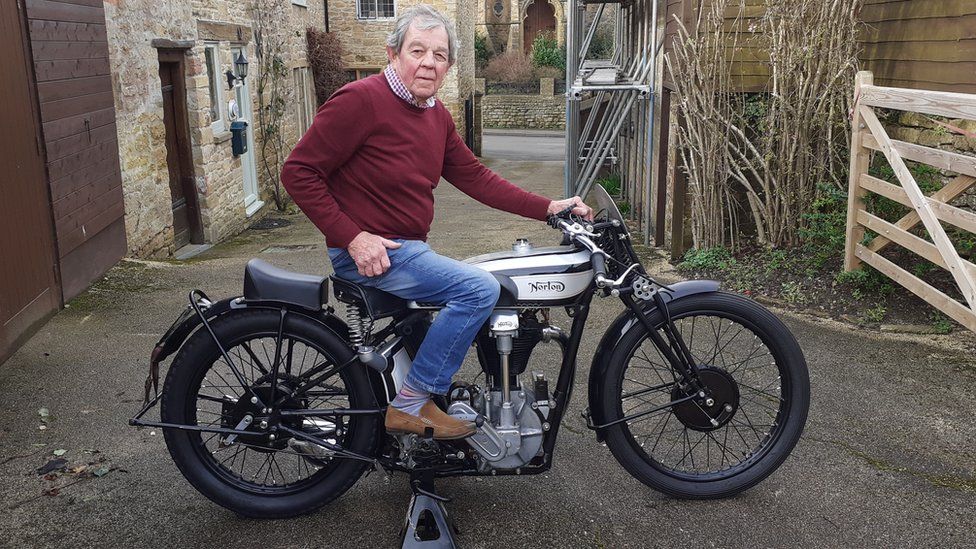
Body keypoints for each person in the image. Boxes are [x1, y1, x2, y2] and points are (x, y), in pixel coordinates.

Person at [281, 4, 592, 440]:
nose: (429, 62)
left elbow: (477, 178)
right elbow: (298, 172)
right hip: (377, 254)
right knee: (478, 288)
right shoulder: (361, 100)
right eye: (418, 50)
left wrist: (548, 207)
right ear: (394, 54)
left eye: (439, 55)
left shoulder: (434, 115)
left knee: (487, 279)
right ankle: (411, 403)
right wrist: (352, 238)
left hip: (409, 250)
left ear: (448, 66)